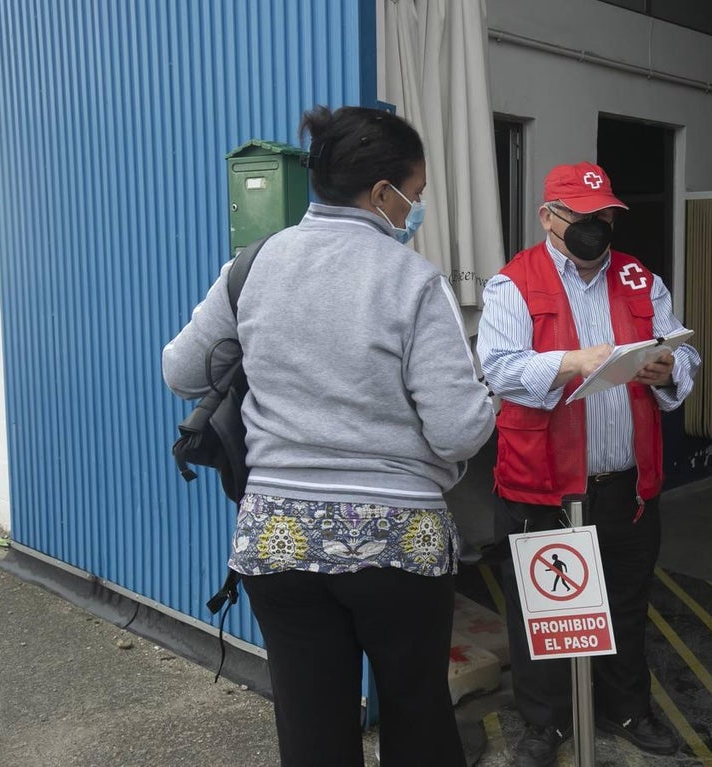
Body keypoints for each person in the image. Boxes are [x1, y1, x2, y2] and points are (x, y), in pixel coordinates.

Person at [162, 105, 495, 767]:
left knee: (312, 725)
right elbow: (458, 429)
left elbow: (182, 371)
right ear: (381, 195)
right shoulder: (413, 280)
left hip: (277, 536)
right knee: (417, 712)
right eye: (415, 196)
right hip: (397, 540)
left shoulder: (254, 265)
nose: (414, 209)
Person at [476, 161, 700, 766]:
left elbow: (683, 350)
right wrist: (569, 362)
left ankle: (625, 708)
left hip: (625, 484)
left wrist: (668, 368)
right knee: (543, 611)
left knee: (627, 602)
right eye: (581, 216)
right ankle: (544, 725)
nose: (596, 227)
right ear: (549, 218)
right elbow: (497, 368)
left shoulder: (639, 279)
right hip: (543, 485)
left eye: (605, 216)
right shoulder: (512, 284)